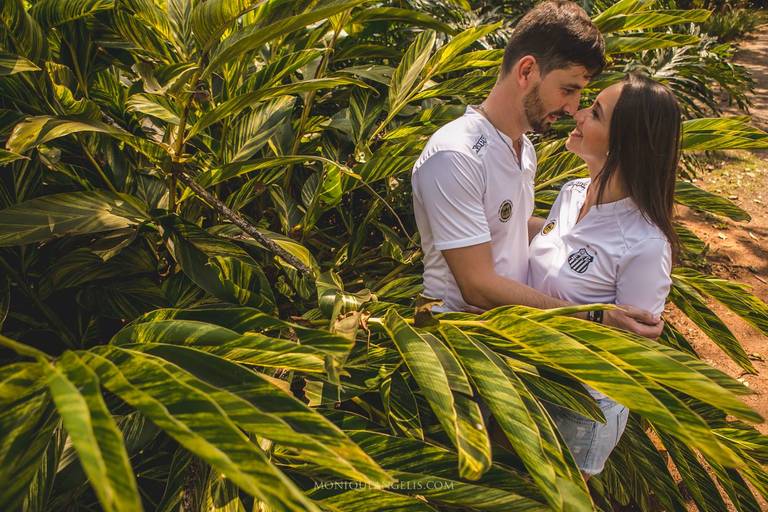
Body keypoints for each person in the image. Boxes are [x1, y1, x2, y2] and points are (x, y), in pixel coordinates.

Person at [411, 0, 663, 336]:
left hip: (510, 336)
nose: (574, 108)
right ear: (527, 70)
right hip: (459, 342)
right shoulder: (456, 154)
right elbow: (477, 287)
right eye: (568, 90)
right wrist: (595, 317)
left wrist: (595, 241)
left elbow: (508, 225)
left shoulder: (523, 149)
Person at [528, 73, 682, 477]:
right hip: (523, 379)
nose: (577, 114)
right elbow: (552, 239)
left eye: (595, 113)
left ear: (625, 143)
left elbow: (628, 352)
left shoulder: (645, 244)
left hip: (577, 408)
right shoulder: (573, 191)